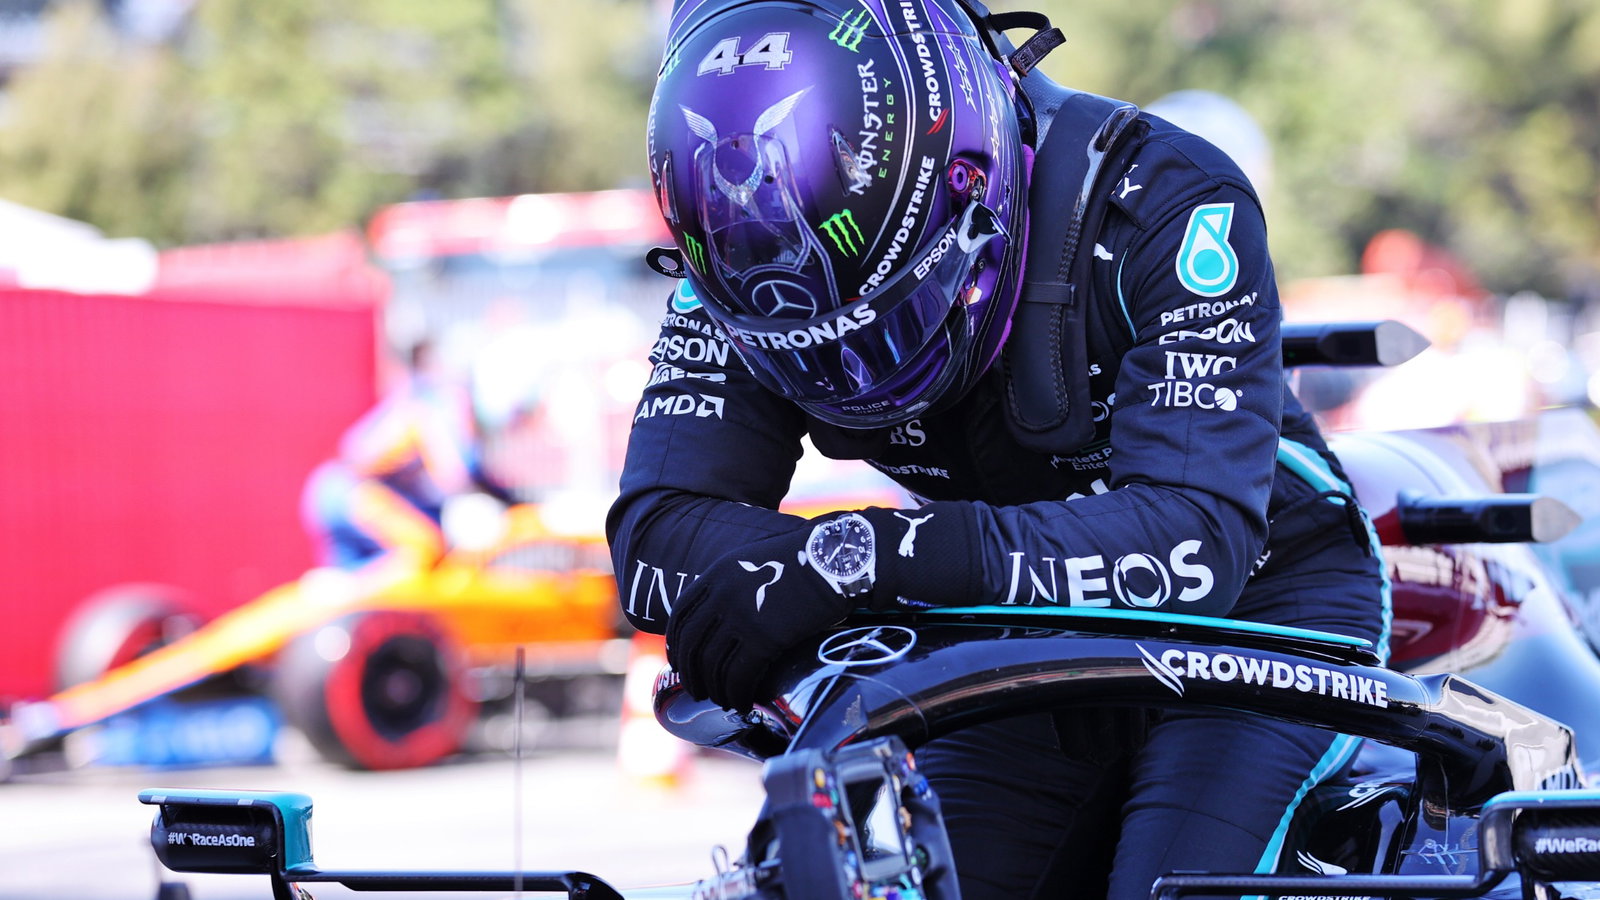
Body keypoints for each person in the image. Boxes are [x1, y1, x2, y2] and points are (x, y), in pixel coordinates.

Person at [606, 2, 1390, 899]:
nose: (851, 367)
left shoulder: (1171, 203)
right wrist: (829, 564)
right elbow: (659, 538)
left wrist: (857, 560)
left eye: (888, 320)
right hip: (1005, 621)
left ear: (972, 181)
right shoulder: (754, 256)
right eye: (812, 352)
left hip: (1260, 605)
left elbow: (1190, 540)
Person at [301, 331, 548, 580]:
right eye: (518, 414)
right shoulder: (444, 407)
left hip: (369, 494)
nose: (514, 425)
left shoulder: (459, 416)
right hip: (349, 492)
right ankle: (344, 589)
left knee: (436, 551)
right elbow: (449, 471)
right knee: (425, 549)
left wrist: (526, 507)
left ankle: (348, 586)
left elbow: (478, 481)